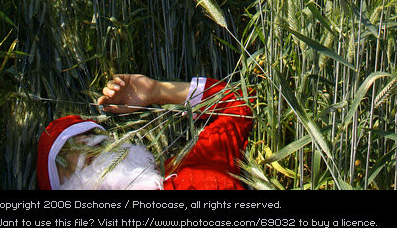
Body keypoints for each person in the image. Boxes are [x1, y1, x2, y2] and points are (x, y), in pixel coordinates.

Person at [37, 73, 253, 191]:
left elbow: (239, 105)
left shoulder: (187, 168)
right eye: (66, 152)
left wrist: (158, 91)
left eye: (90, 134)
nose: (85, 141)